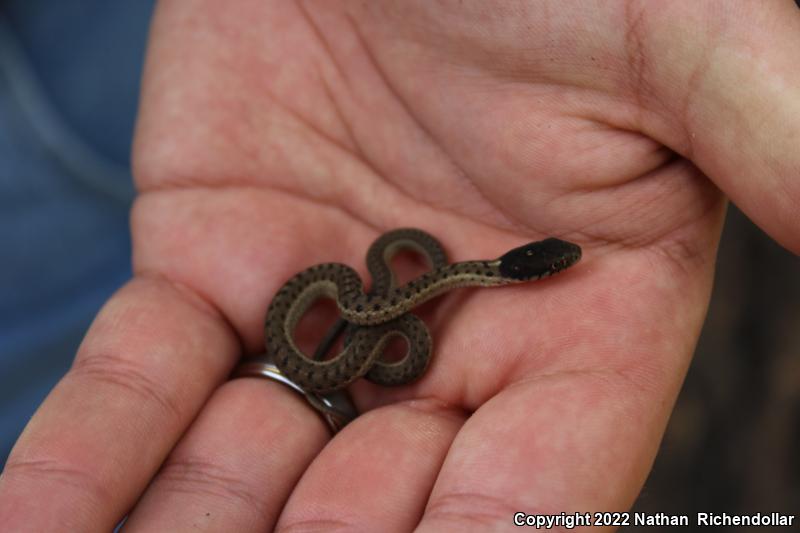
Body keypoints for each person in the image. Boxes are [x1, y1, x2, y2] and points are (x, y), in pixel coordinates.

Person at [1, 2, 799, 530]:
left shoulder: (433, 282)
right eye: (550, 268)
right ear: (524, 273)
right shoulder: (402, 291)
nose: (554, 268)